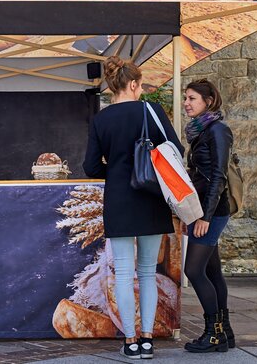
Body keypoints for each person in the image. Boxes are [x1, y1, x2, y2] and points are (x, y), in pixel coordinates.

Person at [83, 56, 183, 360]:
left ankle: (129, 340)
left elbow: (89, 167)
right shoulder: (152, 111)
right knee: (148, 272)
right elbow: (175, 151)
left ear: (114, 85)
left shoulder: (101, 120)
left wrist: (115, 171)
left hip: (120, 201)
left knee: (124, 273)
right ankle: (148, 339)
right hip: (151, 198)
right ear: (135, 84)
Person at [182, 79, 234, 353]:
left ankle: (213, 335)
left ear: (209, 100)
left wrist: (204, 217)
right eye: (186, 98)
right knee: (212, 271)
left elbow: (218, 177)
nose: (186, 103)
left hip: (211, 212)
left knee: (193, 270)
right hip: (202, 210)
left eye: (192, 98)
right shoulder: (201, 131)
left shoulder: (218, 131)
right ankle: (225, 333)